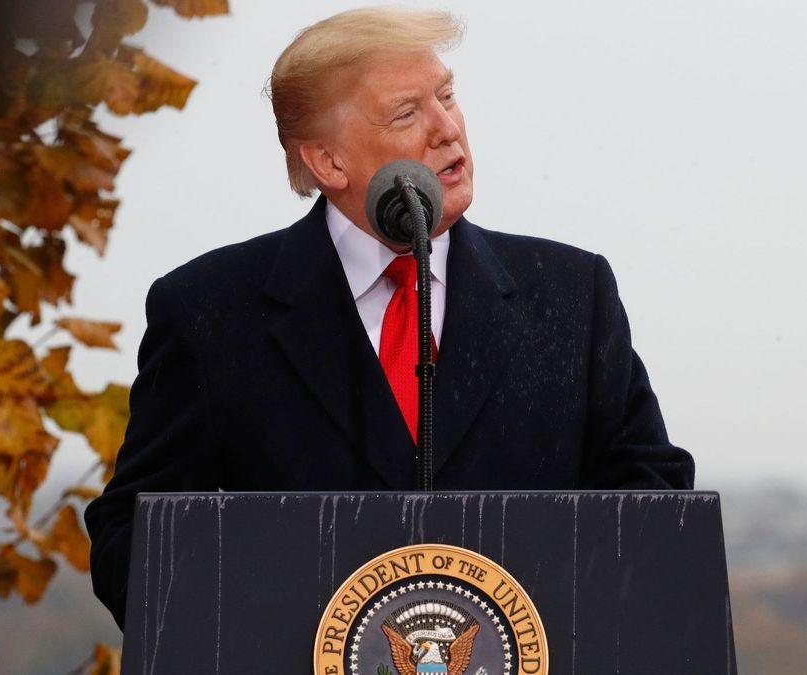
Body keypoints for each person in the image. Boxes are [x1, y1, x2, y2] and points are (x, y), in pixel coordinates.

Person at [84, 7, 693, 630]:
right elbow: (134, 534)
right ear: (328, 162)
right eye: (407, 113)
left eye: (447, 96)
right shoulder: (209, 310)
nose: (447, 128)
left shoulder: (571, 293)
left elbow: (653, 502)